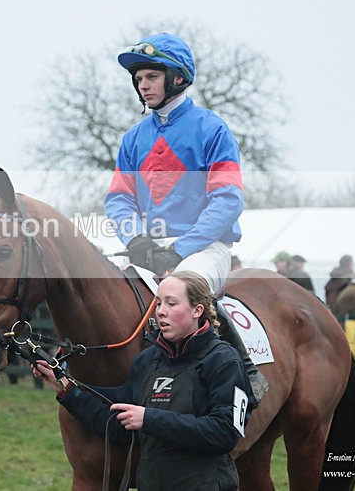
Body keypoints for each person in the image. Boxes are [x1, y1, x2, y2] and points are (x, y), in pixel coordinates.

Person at [104, 32, 265, 401]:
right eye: (139, 78)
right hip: (150, 250)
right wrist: (137, 241)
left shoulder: (212, 129)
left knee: (179, 289)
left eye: (151, 77)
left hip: (206, 248)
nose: (142, 85)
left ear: (176, 77)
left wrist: (180, 248)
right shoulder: (133, 138)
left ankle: (246, 372)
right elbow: (118, 200)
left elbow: (227, 200)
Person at [33, 271, 254, 491]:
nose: (161, 312)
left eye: (171, 304)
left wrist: (148, 418)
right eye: (158, 304)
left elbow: (225, 434)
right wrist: (64, 387)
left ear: (198, 310)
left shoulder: (224, 360)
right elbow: (117, 424)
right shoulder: (149, 360)